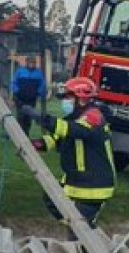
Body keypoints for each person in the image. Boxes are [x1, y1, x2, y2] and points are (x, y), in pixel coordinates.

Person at [32, 76, 116, 228]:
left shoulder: (93, 116)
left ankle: (85, 243)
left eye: (69, 97)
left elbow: (74, 130)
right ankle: (79, 233)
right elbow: (56, 137)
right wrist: (37, 144)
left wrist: (44, 119)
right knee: (52, 199)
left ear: (81, 98)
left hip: (93, 186)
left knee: (80, 229)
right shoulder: (74, 117)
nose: (65, 101)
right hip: (77, 180)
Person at [11, 55, 47, 135]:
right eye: (30, 63)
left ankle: (26, 135)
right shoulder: (20, 71)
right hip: (20, 99)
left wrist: (38, 93)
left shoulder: (38, 73)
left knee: (28, 118)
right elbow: (14, 83)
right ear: (26, 63)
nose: (32, 64)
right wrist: (17, 91)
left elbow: (42, 85)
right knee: (20, 117)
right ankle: (19, 135)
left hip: (31, 100)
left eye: (33, 63)